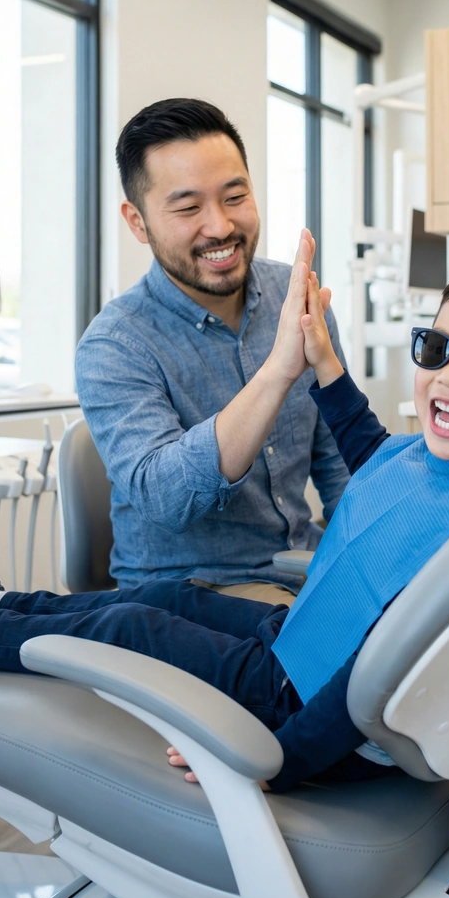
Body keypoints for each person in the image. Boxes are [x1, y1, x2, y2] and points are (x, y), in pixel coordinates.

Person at [0, 237, 449, 898]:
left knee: (133, 624)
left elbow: (368, 685)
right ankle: (1, 604)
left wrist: (277, 762)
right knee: (170, 595)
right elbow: (372, 456)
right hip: (297, 640)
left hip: (301, 701)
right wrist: (323, 361)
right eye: (438, 349)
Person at [75, 98, 350, 603]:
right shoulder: (115, 344)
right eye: (187, 208)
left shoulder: (296, 298)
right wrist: (276, 374)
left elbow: (339, 469)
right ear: (138, 222)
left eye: (235, 196)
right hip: (187, 596)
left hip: (303, 572)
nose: (221, 226)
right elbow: (166, 499)